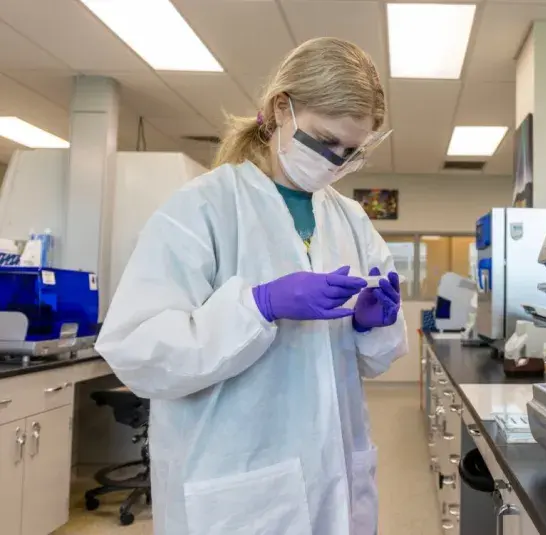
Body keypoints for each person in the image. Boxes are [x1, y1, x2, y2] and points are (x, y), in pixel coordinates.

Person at [95, 37, 407, 535]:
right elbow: (137, 351)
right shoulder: (203, 208)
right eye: (324, 141)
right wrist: (258, 306)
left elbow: (374, 361)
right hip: (235, 482)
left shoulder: (350, 219)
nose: (335, 161)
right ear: (281, 108)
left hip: (337, 479)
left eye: (351, 152)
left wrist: (368, 325)